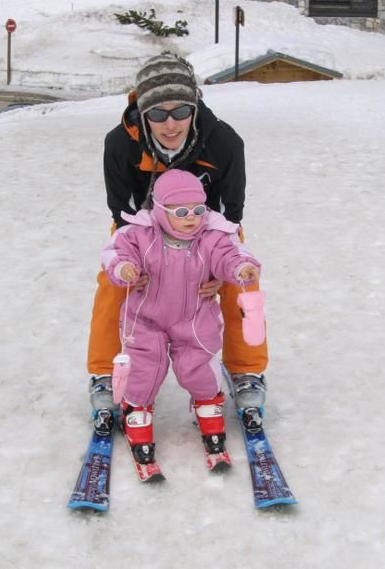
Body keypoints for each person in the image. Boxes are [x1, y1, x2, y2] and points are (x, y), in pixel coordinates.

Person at [88, 51, 268, 414]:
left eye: (181, 112)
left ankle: (247, 369)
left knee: (242, 281)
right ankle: (106, 372)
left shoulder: (225, 143)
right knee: (113, 285)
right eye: (157, 114)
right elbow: (122, 214)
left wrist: (218, 269)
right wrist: (134, 264)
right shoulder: (120, 144)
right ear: (143, 112)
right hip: (142, 226)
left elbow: (230, 216)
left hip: (208, 225)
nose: (170, 125)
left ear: (194, 108)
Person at [101, 170, 261, 462]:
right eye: (182, 212)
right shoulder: (139, 233)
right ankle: (136, 409)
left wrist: (241, 269)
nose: (192, 218)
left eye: (199, 210)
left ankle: (207, 404)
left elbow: (230, 254)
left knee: (198, 365)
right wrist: (123, 268)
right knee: (144, 366)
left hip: (195, 318)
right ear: (160, 211)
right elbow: (115, 252)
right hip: (145, 317)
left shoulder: (212, 236)